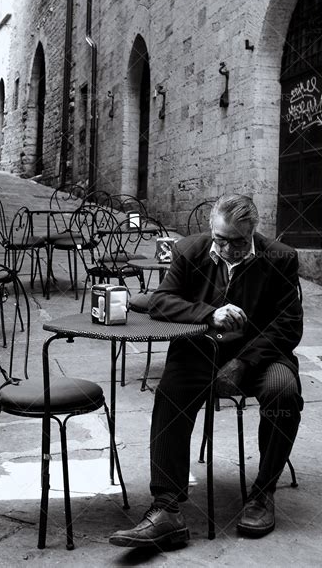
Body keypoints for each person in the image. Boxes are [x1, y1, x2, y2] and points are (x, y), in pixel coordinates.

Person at [109, 194, 303, 549]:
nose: (228, 248)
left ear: (254, 232)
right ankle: (167, 509)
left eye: (238, 242)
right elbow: (161, 301)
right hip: (199, 350)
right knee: (171, 392)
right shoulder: (189, 250)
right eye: (221, 239)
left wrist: (244, 362)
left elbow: (289, 325)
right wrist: (207, 314)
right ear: (211, 230)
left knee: (283, 391)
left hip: (260, 355)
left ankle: (262, 494)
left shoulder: (281, 257)